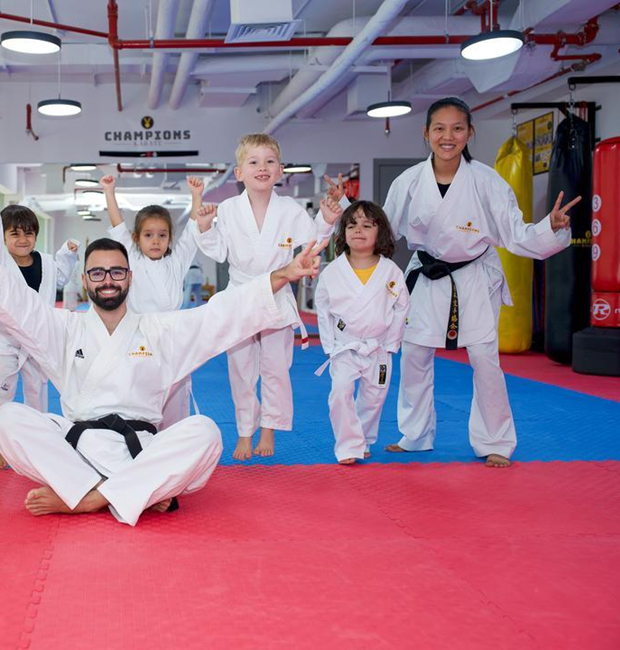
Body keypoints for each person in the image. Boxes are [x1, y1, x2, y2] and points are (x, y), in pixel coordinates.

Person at [0, 207, 326, 526]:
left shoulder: (160, 330)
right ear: (85, 280)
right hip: (77, 450)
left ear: (130, 277)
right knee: (6, 418)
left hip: (141, 450)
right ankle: (136, 492)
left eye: (116, 272)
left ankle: (90, 497)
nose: (107, 281)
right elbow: (17, 302)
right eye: (97, 273)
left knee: (206, 432)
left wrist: (284, 274)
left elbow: (221, 315)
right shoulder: (65, 328)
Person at [376, 97, 579, 468]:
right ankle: (415, 435)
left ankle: (495, 440)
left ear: (470, 133)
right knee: (415, 356)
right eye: (439, 128)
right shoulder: (408, 182)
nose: (448, 136)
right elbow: (383, 231)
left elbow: (515, 233)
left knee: (485, 360)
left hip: (473, 276)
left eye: (457, 128)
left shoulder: (487, 181)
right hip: (426, 276)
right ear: (426, 133)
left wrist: (550, 227)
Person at [193, 133, 344, 460]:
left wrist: (327, 220)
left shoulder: (289, 209)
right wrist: (204, 227)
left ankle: (269, 428)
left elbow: (312, 242)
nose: (262, 167)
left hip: (277, 294)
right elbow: (218, 252)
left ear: (280, 171)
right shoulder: (229, 209)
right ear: (239, 173)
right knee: (241, 369)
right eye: (254, 162)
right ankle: (244, 431)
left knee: (276, 368)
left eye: (269, 161)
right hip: (241, 295)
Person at [99, 173, 200, 429]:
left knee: (175, 393)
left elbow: (192, 231)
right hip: (138, 335)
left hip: (172, 336)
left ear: (169, 239)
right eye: (148, 235)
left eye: (162, 235)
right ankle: (141, 436)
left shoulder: (176, 262)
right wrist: (109, 192)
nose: (156, 240)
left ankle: (174, 437)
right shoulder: (132, 259)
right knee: (139, 393)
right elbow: (118, 225)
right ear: (136, 238)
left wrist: (196, 196)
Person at [314, 200, 410, 464]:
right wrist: (329, 345)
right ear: (343, 233)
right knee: (340, 392)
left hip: (379, 345)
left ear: (380, 233)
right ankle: (348, 446)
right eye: (352, 225)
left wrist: (392, 343)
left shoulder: (390, 271)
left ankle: (364, 439)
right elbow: (323, 309)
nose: (358, 230)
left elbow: (401, 307)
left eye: (367, 225)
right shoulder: (333, 272)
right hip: (345, 345)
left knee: (374, 397)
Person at [0, 204, 79, 414]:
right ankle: (0, 428)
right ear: (2, 237)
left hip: (38, 338)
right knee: (3, 391)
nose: (23, 239)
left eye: (28, 233)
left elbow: (60, 277)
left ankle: (39, 428)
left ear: (36, 236)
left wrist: (67, 253)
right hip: (6, 340)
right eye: (15, 234)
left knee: (37, 391)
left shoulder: (46, 262)